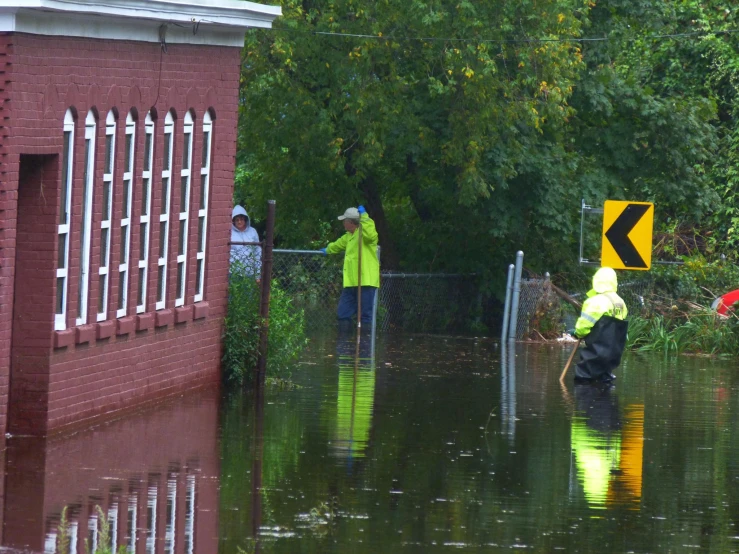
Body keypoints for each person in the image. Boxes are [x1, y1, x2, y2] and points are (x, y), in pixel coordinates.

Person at [320, 205, 380, 327]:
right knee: (343, 313)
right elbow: (337, 245)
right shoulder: (349, 236)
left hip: (365, 281)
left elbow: (371, 234)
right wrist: (328, 249)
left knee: (365, 316)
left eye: (345, 221)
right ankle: (344, 343)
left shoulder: (365, 234)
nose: (343, 223)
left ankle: (364, 344)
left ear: (351, 222)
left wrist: (364, 216)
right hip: (351, 282)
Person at [571, 266, 628, 383]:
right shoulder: (620, 302)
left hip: (596, 352)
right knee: (605, 382)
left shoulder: (595, 301)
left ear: (596, 280)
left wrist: (577, 333)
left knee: (584, 380)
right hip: (614, 353)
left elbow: (584, 324)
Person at [230, 205, 261, 279]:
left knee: (250, 289)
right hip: (234, 271)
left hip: (250, 270)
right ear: (233, 221)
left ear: (245, 220)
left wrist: (257, 273)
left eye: (241, 219)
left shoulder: (252, 231)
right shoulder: (230, 232)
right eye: (237, 220)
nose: (239, 222)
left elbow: (257, 251)